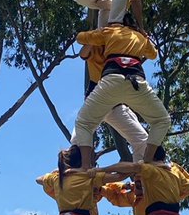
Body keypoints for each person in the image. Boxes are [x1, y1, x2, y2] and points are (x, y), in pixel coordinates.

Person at [73, 22, 170, 169]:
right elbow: (83, 53)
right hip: (104, 94)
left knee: (139, 139)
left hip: (113, 99)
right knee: (78, 137)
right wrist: (97, 34)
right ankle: (72, 169)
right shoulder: (102, 43)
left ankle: (142, 174)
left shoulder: (115, 39)